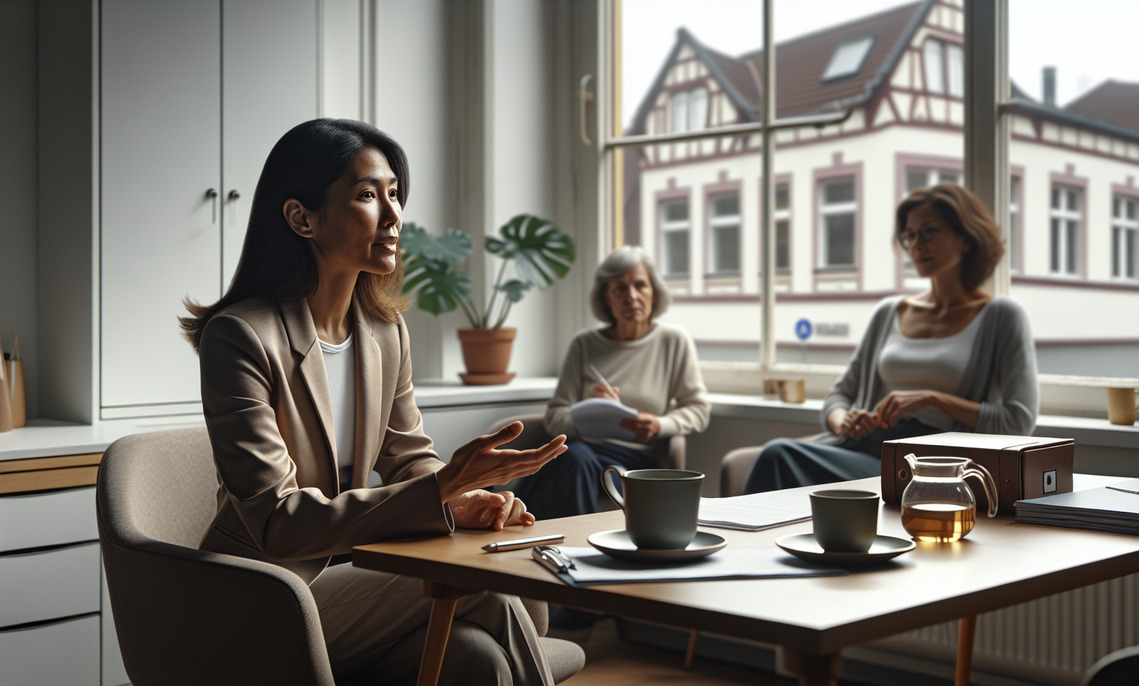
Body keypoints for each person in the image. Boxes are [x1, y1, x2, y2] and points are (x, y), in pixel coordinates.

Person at [179, 118, 567, 686]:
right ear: (302, 218)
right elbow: (280, 524)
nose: (393, 216)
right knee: (488, 589)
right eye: (367, 195)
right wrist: (442, 488)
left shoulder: (385, 333)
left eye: (395, 194)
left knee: (478, 659)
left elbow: (410, 459)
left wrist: (461, 498)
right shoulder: (239, 337)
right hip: (264, 593)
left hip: (356, 575)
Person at [743, 182, 1038, 494]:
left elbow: (1018, 421)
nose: (917, 245)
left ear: (966, 237)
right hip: (868, 447)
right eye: (910, 235)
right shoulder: (889, 312)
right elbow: (838, 397)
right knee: (778, 455)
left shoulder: (1002, 315)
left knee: (778, 456)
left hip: (930, 464)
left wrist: (932, 398)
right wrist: (844, 421)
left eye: (929, 231)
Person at [513, 246, 710, 520]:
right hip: (580, 450)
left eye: (640, 285)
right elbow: (555, 418)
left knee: (568, 463)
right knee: (573, 458)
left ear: (654, 293)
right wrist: (586, 410)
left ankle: (547, 532)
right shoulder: (584, 344)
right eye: (620, 288)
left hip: (633, 460)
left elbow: (698, 409)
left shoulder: (673, 341)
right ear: (607, 297)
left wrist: (658, 425)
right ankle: (566, 537)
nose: (631, 296)